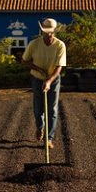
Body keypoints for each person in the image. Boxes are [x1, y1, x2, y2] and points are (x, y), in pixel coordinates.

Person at [21, 18, 67, 149]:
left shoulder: (60, 46)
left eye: (51, 32)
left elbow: (59, 67)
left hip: (53, 79)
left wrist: (48, 81)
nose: (48, 34)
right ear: (42, 32)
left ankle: (48, 138)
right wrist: (39, 69)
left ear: (55, 32)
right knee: (38, 109)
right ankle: (40, 127)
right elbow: (24, 61)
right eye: (46, 32)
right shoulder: (34, 44)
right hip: (36, 79)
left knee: (52, 110)